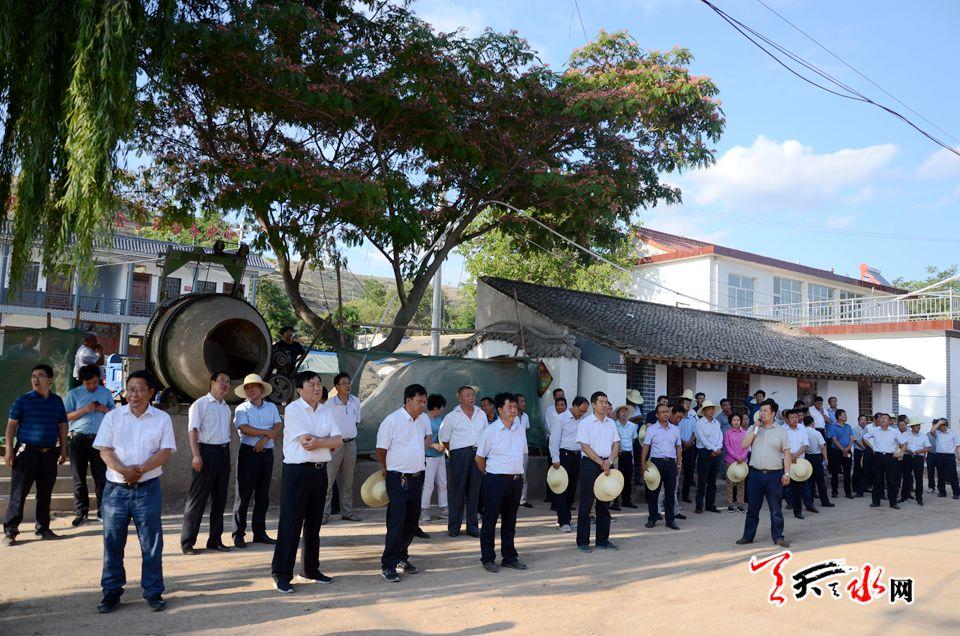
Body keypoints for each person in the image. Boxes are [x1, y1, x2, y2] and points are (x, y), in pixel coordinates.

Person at [92, 370, 176, 613]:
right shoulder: (113, 417)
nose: (134, 394)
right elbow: (105, 450)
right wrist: (124, 471)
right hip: (115, 491)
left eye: (140, 389)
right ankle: (111, 591)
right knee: (113, 542)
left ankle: (153, 591)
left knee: (151, 543)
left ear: (151, 392)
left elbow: (165, 451)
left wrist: (139, 470)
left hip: (148, 489)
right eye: (130, 389)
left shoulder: (162, 419)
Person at [271, 371, 342, 593]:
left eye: (319, 384)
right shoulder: (293, 409)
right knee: (291, 523)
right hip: (297, 472)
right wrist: (325, 441)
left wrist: (323, 441)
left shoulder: (325, 410)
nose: (317, 387)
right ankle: (282, 573)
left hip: (320, 472)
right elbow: (307, 442)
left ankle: (310, 569)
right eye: (311, 384)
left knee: (314, 524)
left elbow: (338, 440)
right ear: (299, 389)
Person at [3, 364, 68, 545]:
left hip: (49, 454)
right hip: (26, 453)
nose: (35, 379)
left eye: (40, 376)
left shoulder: (56, 401)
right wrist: (9, 450)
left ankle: (43, 528)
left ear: (50, 380)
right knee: (19, 493)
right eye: (33, 376)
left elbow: (62, 425)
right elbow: (11, 426)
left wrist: (63, 449)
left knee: (45, 492)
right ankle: (10, 531)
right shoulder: (23, 400)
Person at [376, 383, 432, 583]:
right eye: (419, 402)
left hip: (418, 477)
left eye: (424, 402)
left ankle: (402, 557)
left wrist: (421, 446)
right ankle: (388, 564)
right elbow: (381, 449)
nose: (422, 405)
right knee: (397, 522)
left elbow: (428, 435)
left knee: (411, 522)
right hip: (398, 478)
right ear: (408, 400)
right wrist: (387, 468)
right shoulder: (392, 421)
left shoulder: (423, 419)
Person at [181, 372, 233, 554]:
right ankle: (188, 541)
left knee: (220, 499)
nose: (225, 384)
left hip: (223, 452)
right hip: (206, 452)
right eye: (221, 381)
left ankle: (215, 539)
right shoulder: (200, 405)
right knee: (198, 498)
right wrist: (196, 455)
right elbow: (193, 431)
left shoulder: (226, 408)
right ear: (212, 383)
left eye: (227, 382)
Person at [476, 392, 528, 573]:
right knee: (490, 520)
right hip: (495, 480)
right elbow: (479, 458)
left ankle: (509, 556)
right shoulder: (490, 431)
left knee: (510, 521)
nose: (514, 410)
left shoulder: (520, 428)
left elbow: (521, 454)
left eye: (515, 406)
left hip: (515, 481)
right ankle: (488, 558)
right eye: (510, 407)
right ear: (500, 410)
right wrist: (492, 474)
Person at [232, 374, 282, 548]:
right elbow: (244, 429)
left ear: (262, 389)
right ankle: (238, 534)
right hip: (248, 453)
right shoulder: (242, 409)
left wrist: (264, 440)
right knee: (243, 495)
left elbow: (278, 426)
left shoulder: (272, 407)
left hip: (266, 453)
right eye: (247, 387)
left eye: (254, 386)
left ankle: (259, 533)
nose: (250, 390)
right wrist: (267, 434)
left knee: (263, 495)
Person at [737, 399, 791, 548]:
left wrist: (787, 474)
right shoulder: (754, 428)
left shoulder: (781, 431)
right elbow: (744, 445)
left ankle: (778, 537)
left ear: (773, 413)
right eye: (760, 411)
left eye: (765, 411)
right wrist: (755, 430)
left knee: (776, 509)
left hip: (774, 475)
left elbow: (786, 453)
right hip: (755, 474)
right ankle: (748, 536)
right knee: (753, 509)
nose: (762, 413)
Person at [64, 364, 114, 526]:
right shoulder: (74, 394)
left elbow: (115, 415)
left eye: (94, 382)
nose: (91, 385)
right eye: (88, 383)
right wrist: (85, 410)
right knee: (79, 478)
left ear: (98, 379)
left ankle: (103, 511)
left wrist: (103, 409)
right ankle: (81, 513)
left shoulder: (105, 393)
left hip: (100, 439)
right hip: (78, 439)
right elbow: (66, 416)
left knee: (101, 477)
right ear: (82, 381)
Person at [438, 386, 488, 538]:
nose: (471, 397)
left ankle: (473, 528)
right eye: (467, 395)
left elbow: (487, 436)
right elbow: (444, 440)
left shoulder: (481, 414)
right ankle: (454, 527)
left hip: (478, 454)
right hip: (459, 454)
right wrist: (455, 452)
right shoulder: (452, 417)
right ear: (460, 398)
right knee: (457, 492)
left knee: (474, 492)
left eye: (473, 395)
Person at [575, 391, 620, 553]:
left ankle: (602, 540)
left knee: (604, 503)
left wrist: (609, 461)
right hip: (591, 464)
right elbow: (584, 446)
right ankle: (582, 541)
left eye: (606, 402)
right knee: (586, 503)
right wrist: (601, 462)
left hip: (608, 464)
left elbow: (616, 444)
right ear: (593, 404)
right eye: (601, 402)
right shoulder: (585, 423)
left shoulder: (611, 423)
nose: (605, 405)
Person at [323, 372, 362, 524]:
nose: (348, 385)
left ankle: (347, 512)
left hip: (351, 444)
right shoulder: (329, 404)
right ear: (337, 387)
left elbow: (356, 422)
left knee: (348, 480)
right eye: (344, 383)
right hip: (334, 445)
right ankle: (324, 513)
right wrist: (329, 443)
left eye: (349, 382)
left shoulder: (356, 401)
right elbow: (325, 426)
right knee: (328, 480)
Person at [641, 402, 682, 530]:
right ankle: (652, 518)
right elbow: (646, 447)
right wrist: (643, 465)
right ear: (657, 415)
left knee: (670, 493)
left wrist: (679, 464)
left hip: (670, 463)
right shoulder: (651, 429)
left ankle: (670, 520)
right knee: (653, 492)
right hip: (655, 463)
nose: (666, 414)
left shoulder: (675, 429)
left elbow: (678, 447)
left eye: (667, 411)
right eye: (663, 412)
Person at [549, 396, 584, 532]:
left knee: (571, 489)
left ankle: (567, 518)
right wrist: (555, 458)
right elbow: (554, 439)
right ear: (574, 406)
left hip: (577, 456)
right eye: (580, 410)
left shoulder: (581, 421)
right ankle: (563, 521)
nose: (581, 414)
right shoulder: (560, 418)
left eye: (584, 412)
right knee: (561, 488)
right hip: (564, 456)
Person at [864, 413, 906, 509]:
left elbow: (904, 443)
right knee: (877, 480)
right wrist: (872, 447)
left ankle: (893, 502)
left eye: (885, 418)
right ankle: (876, 501)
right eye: (881, 418)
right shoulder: (874, 430)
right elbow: (864, 438)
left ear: (890, 421)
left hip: (890, 457)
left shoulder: (894, 431)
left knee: (892, 481)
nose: (883, 420)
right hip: (878, 457)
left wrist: (901, 453)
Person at [422, 394, 449, 523]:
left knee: (443, 483)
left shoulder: (439, 418)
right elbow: (420, 439)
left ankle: (444, 509)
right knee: (429, 484)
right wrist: (433, 445)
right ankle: (424, 509)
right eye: (442, 407)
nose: (443, 410)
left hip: (440, 455)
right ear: (436, 407)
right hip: (429, 457)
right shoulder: (424, 419)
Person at [783, 409, 815, 518]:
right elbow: (781, 446)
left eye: (796, 417)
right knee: (786, 485)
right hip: (787, 462)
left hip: (800, 462)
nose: (794, 419)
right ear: (787, 419)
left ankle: (802, 509)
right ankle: (786, 505)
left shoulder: (802, 428)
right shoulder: (782, 430)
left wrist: (796, 455)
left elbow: (806, 444)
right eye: (791, 418)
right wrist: (790, 455)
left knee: (802, 486)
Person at [694, 400, 723, 514]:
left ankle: (710, 504)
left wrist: (718, 448)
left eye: (712, 409)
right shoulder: (699, 423)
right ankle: (699, 505)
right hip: (704, 452)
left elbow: (720, 436)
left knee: (712, 481)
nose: (711, 411)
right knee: (702, 481)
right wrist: (714, 449)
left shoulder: (716, 423)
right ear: (704, 411)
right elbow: (702, 440)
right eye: (709, 409)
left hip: (716, 452)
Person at [803, 415, 834, 509]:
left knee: (809, 480)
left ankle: (810, 501)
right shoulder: (816, 433)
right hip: (816, 457)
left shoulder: (802, 432)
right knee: (820, 481)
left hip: (806, 457)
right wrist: (826, 459)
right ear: (812, 422)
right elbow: (823, 447)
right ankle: (825, 501)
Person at [612, 406, 638, 510]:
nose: (624, 413)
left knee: (628, 478)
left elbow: (634, 440)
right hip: (617, 455)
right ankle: (615, 502)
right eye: (622, 411)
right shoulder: (613, 425)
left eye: (625, 411)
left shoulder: (632, 426)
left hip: (628, 454)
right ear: (617, 414)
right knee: (617, 478)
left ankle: (627, 500)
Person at [723, 413, 749, 512]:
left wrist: (742, 457)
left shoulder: (745, 433)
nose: (736, 422)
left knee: (741, 483)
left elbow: (747, 446)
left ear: (741, 421)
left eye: (738, 420)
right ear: (730, 422)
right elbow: (727, 446)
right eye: (734, 420)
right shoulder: (727, 433)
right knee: (730, 483)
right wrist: (736, 456)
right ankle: (730, 503)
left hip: (742, 462)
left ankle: (740, 504)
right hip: (730, 461)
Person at [826, 409, 854, 499]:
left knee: (847, 472)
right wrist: (843, 449)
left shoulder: (848, 426)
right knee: (835, 472)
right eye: (844, 415)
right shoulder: (833, 427)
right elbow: (834, 439)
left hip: (848, 450)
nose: (846, 416)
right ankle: (834, 491)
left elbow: (852, 439)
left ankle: (848, 492)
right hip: (837, 452)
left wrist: (848, 448)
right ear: (839, 417)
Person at [901, 418, 931, 505]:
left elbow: (928, 447)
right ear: (912, 427)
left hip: (918, 458)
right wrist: (907, 450)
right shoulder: (905, 434)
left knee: (919, 478)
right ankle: (904, 497)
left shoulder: (923, 435)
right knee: (906, 477)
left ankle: (919, 498)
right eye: (917, 425)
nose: (919, 427)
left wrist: (920, 451)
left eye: (919, 425)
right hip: (907, 457)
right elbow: (900, 444)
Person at [677, 390, 698, 503]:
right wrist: (683, 443)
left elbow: (695, 432)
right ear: (681, 403)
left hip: (690, 447)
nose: (688, 404)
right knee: (677, 471)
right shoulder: (677, 418)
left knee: (689, 473)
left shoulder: (692, 417)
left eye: (689, 402)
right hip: (679, 447)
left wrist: (689, 442)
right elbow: (675, 431)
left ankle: (686, 495)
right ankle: (677, 494)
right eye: (686, 402)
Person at [932, 419, 960, 499]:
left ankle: (956, 493)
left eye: (942, 425)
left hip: (950, 456)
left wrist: (959, 456)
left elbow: (958, 446)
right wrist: (939, 423)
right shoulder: (937, 433)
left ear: (946, 425)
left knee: (953, 475)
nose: (940, 427)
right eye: (939, 426)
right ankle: (942, 492)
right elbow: (932, 430)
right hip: (939, 456)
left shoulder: (953, 433)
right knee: (941, 475)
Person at [515, 394, 533, 508]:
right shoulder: (511, 416)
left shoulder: (525, 416)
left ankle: (522, 499)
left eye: (524, 401)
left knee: (524, 476)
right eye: (522, 401)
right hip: (513, 450)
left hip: (524, 450)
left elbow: (525, 432)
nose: (524, 403)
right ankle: (513, 498)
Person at [852, 414, 872, 497]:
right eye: (861, 420)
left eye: (865, 420)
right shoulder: (855, 429)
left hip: (865, 451)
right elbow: (857, 441)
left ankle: (864, 487)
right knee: (857, 469)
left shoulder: (866, 429)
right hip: (859, 451)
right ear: (858, 421)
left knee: (865, 470)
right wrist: (864, 448)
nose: (863, 421)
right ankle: (855, 487)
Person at [927, 420, 942, 493]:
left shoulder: (941, 434)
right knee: (930, 472)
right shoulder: (927, 434)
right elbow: (925, 445)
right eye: (933, 424)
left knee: (940, 472)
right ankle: (931, 487)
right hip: (930, 455)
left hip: (939, 455)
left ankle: (940, 487)